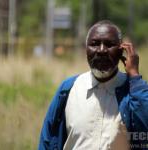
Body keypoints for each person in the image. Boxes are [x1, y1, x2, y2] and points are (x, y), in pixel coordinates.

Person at [38, 20, 148, 150]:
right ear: (86, 50)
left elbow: (145, 126)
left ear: (121, 51)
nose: (101, 50)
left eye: (109, 44)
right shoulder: (68, 89)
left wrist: (134, 75)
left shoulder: (134, 91)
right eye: (94, 44)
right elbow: (48, 139)